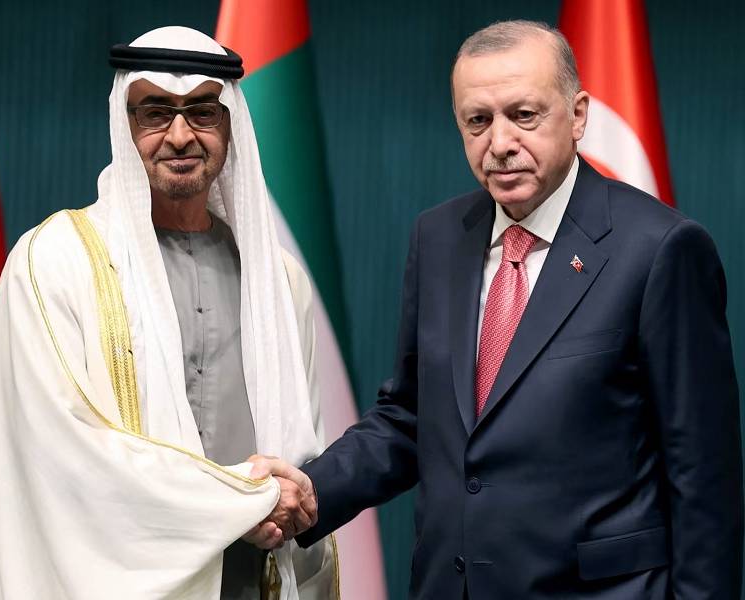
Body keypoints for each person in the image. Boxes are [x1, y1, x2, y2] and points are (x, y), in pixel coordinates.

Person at [253, 19, 744, 599]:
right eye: (478, 121)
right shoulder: (438, 237)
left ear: (578, 116)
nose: (500, 143)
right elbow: (412, 416)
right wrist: (314, 491)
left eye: (524, 115)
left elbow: (703, 475)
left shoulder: (660, 249)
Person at [0, 26, 332, 600]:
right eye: (155, 112)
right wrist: (242, 500)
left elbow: (304, 457)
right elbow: (65, 461)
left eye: (203, 112)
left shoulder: (279, 280)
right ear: (125, 123)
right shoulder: (55, 262)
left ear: (231, 124)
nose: (180, 136)